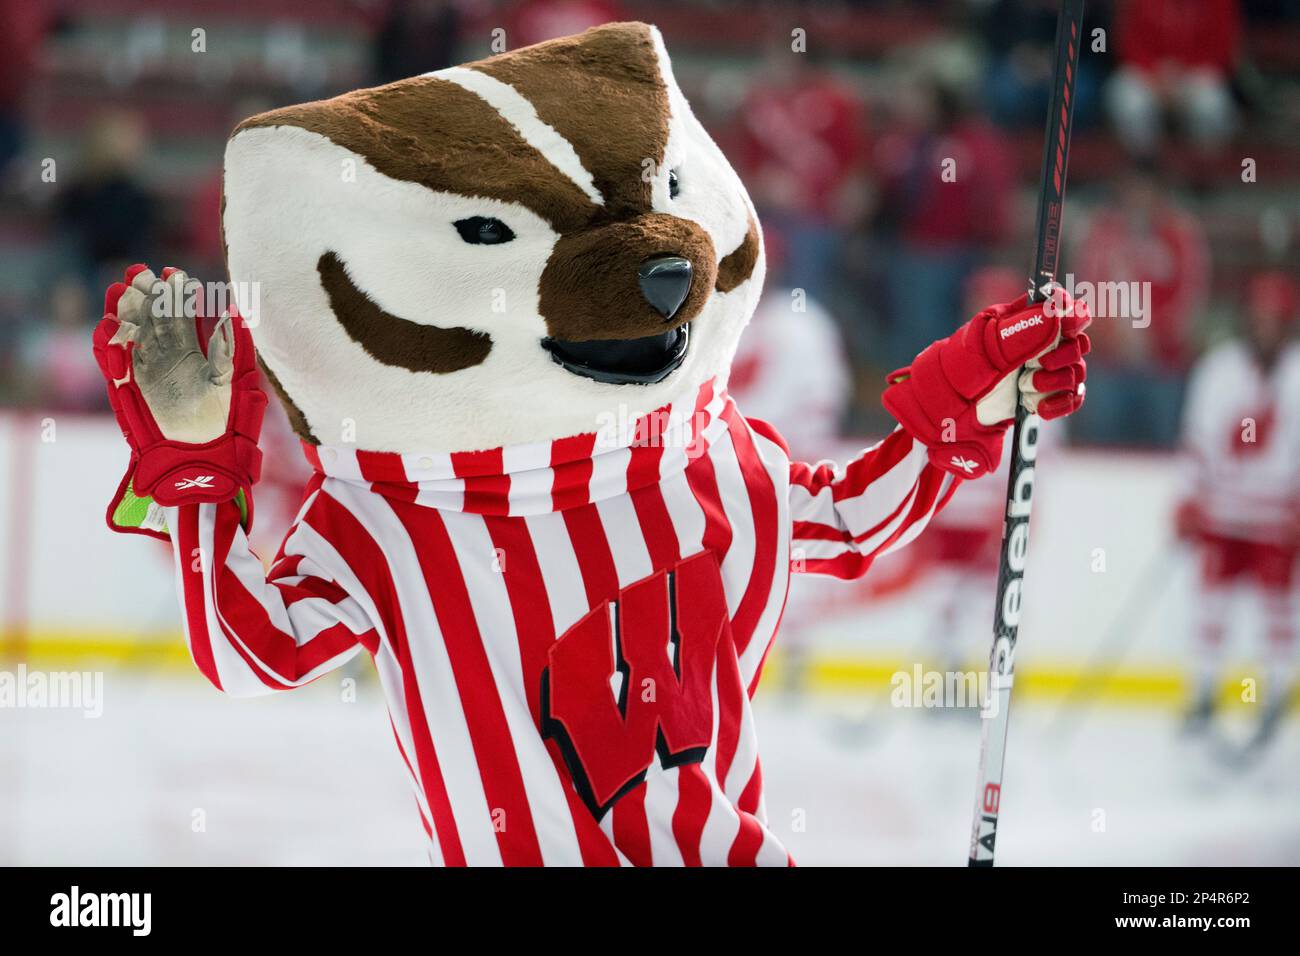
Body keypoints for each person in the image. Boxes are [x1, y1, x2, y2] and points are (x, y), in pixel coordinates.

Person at [1176, 270, 1300, 751]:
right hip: (1222, 515)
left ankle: (1273, 695)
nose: (1266, 326)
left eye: (1276, 319)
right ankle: (1205, 691)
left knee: (1277, 610)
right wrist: (1189, 497)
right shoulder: (1220, 369)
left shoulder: (1296, 373)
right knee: (1211, 606)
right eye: (1260, 317)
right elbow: (1198, 439)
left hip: (1276, 520)